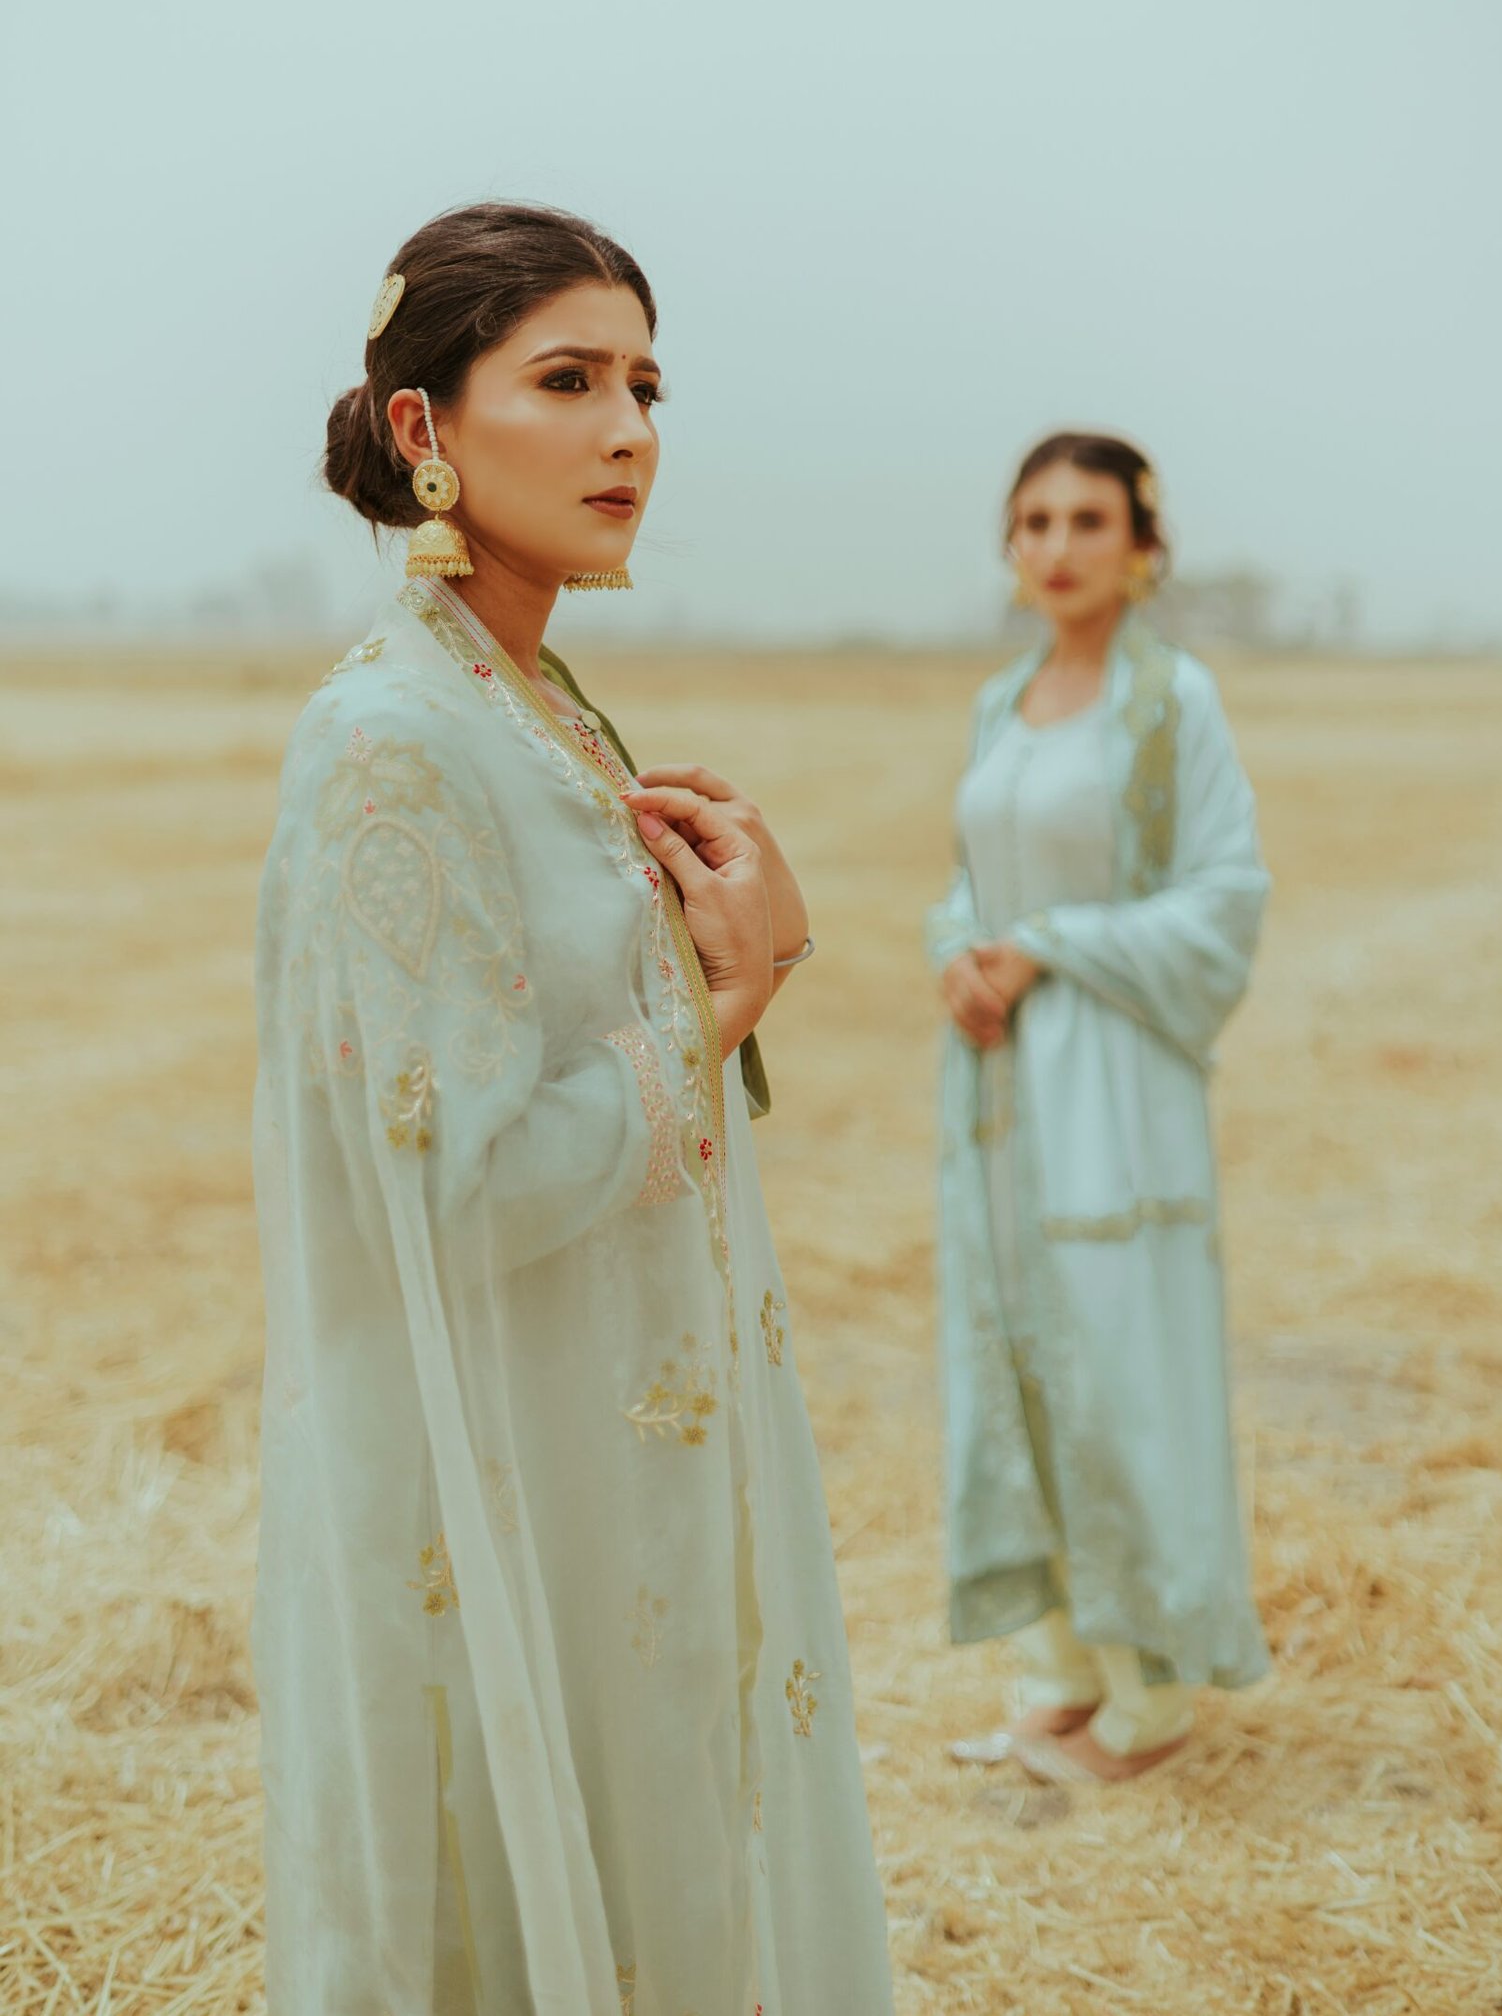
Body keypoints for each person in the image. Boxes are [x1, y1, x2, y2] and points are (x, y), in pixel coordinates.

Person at [251, 201, 894, 2013]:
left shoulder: (539, 704)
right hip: (494, 1488)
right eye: (567, 378)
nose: (629, 431)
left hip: (614, 1435)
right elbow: (448, 1183)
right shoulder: (394, 740)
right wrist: (732, 992)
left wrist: (723, 941)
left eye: (645, 383)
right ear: (423, 430)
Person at [928, 432, 1271, 1785]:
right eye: (1033, 520)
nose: (1057, 543)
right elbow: (967, 873)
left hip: (1116, 1082)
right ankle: (1058, 1667)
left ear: (1144, 548)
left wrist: (1050, 944)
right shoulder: (997, 705)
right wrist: (957, 946)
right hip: (999, 1084)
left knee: (1124, 1358)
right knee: (1018, 1350)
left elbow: (1223, 897)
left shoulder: (1170, 703)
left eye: (1087, 519)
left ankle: (1152, 1692)